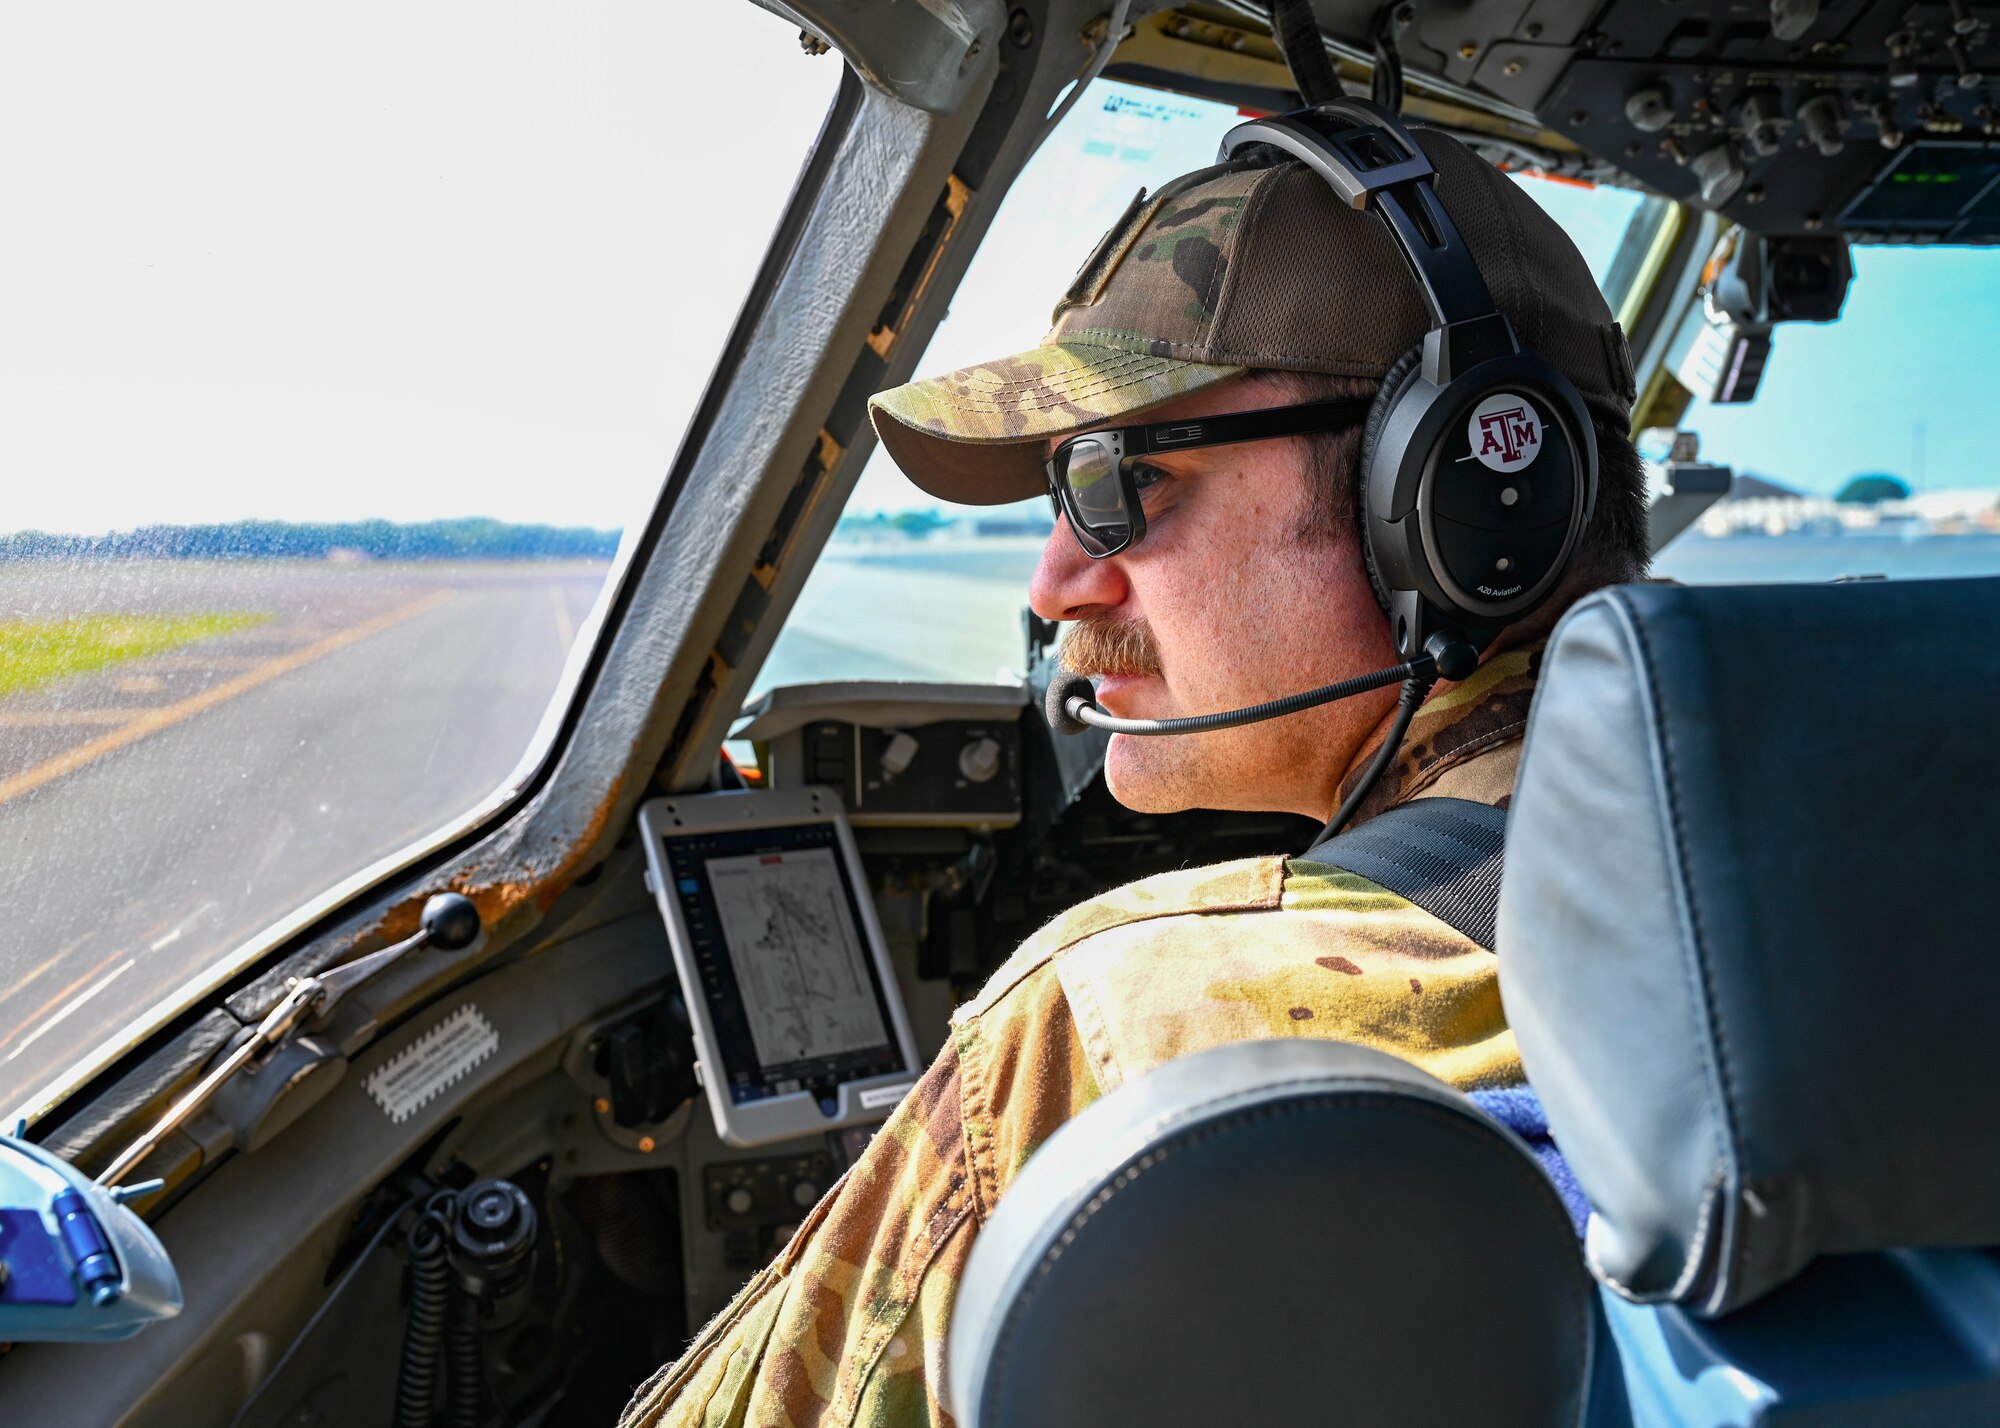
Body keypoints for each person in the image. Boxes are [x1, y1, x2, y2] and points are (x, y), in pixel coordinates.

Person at [620, 122, 1644, 1428]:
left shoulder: (1127, 1025)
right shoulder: (1901, 871)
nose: (1054, 583)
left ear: (1457, 492)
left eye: (1121, 482)